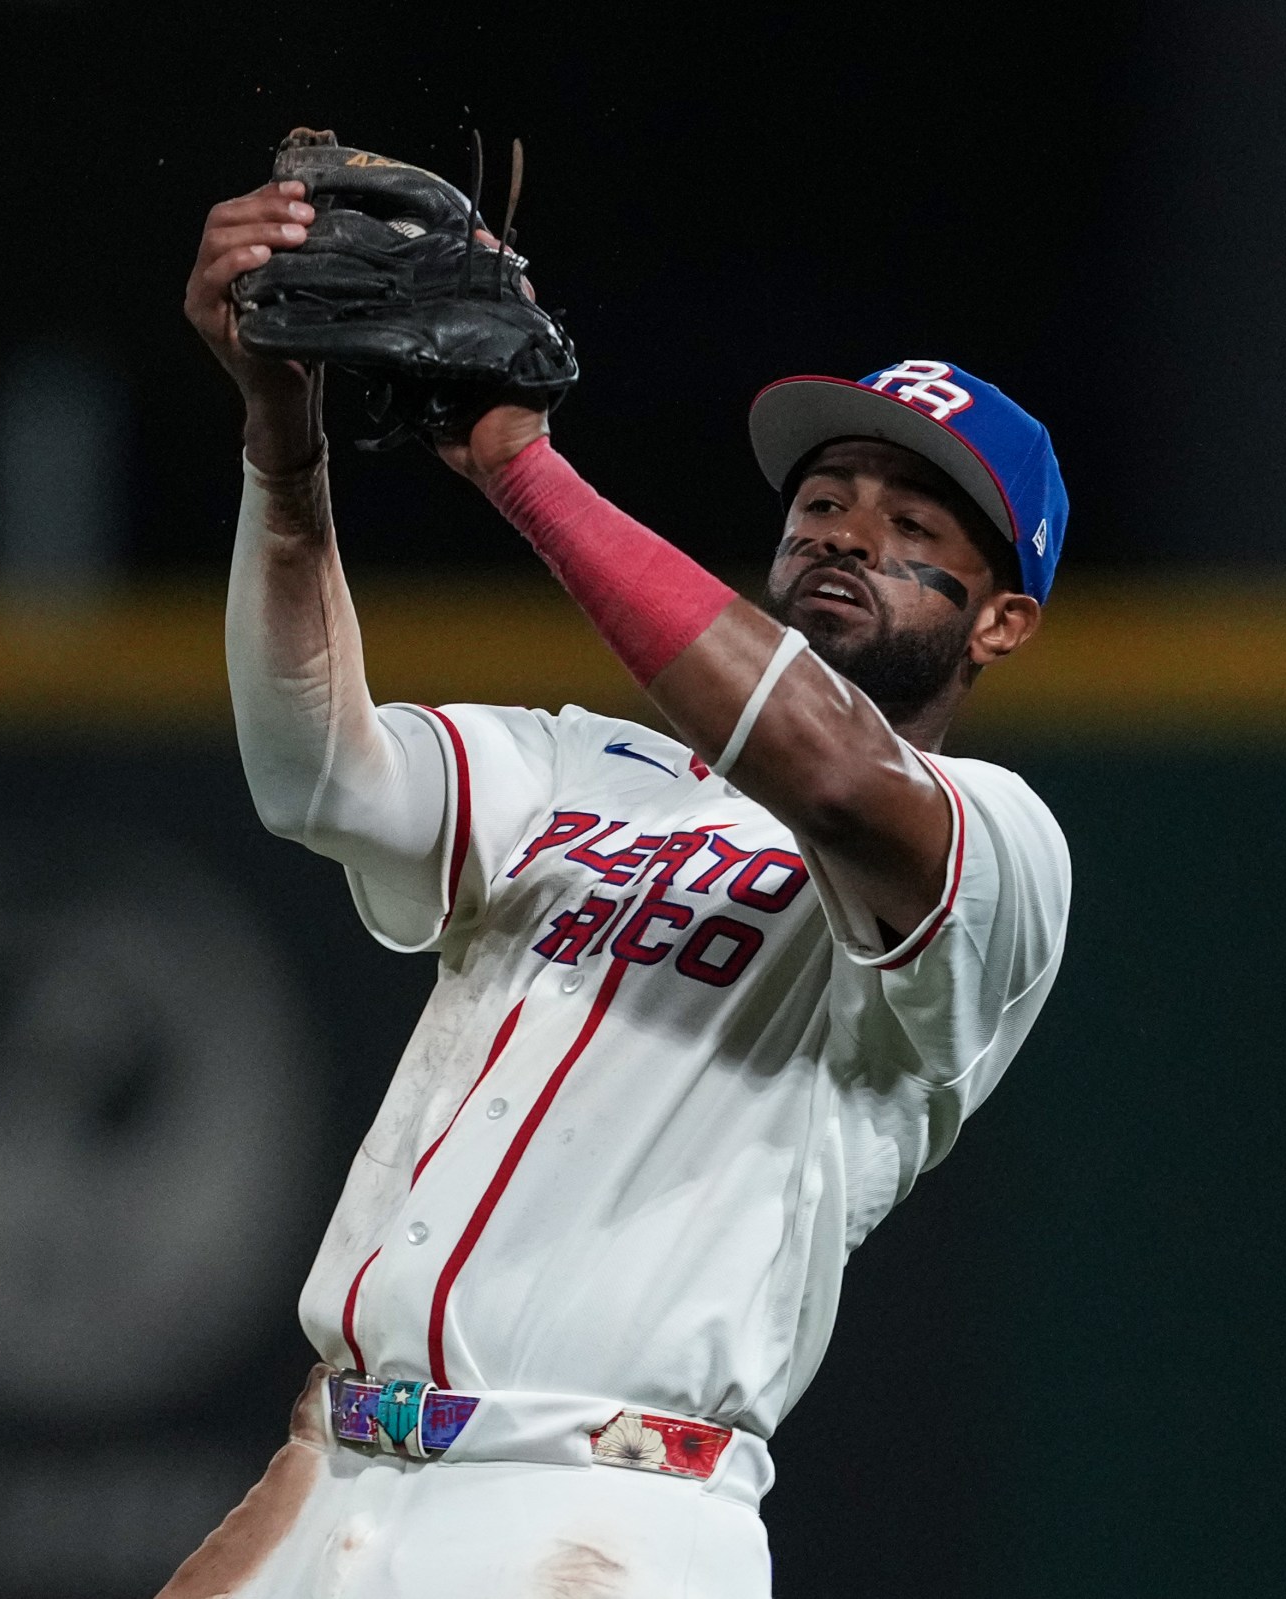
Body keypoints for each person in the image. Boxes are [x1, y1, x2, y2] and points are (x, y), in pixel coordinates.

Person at [162, 177, 1074, 1598]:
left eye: (915, 525)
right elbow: (318, 778)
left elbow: (828, 774)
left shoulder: (998, 848)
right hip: (327, 1476)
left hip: (601, 1510)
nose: (844, 529)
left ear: (1002, 619)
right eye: (823, 497)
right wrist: (283, 452)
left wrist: (522, 464)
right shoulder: (580, 766)